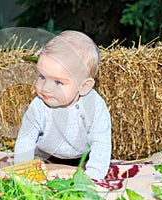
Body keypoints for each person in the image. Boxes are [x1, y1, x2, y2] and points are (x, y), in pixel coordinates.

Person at [14, 30, 111, 180]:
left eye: (58, 82)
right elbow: (26, 139)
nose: (45, 87)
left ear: (84, 86)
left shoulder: (94, 106)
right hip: (47, 155)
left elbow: (101, 142)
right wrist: (23, 171)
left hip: (82, 158)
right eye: (42, 77)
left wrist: (94, 176)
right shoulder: (39, 105)